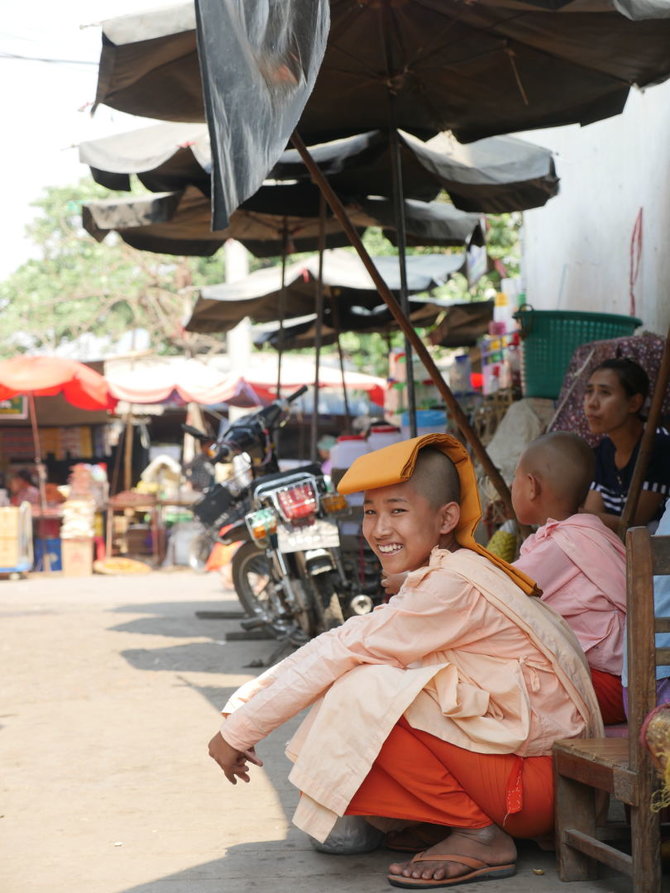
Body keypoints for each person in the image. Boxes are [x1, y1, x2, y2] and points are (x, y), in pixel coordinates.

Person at [208, 434, 602, 889]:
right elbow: (343, 638)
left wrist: (238, 732)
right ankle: (451, 822)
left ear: (445, 518)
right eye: (370, 512)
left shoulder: (449, 586)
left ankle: (479, 835)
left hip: (541, 789)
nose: (378, 529)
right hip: (543, 781)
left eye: (397, 510)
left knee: (364, 688)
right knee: (365, 676)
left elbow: (342, 651)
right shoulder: (446, 573)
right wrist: (243, 708)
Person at [511, 432, 627, 724]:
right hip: (620, 679)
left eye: (515, 478)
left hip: (612, 686)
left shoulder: (562, 545)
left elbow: (497, 588)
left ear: (532, 486)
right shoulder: (588, 531)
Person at [582, 357, 670, 531]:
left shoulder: (659, 446)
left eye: (605, 393)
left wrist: (567, 513)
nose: (591, 403)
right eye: (589, 391)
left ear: (634, 403)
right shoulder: (605, 449)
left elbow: (633, 525)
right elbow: (592, 514)